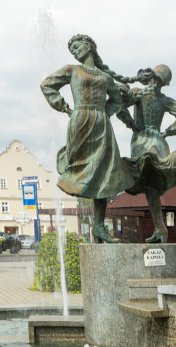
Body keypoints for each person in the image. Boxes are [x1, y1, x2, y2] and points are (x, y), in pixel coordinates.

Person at [40, 34, 135, 243]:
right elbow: (47, 85)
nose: (74, 51)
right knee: (83, 168)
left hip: (102, 124)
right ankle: (92, 218)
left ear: (89, 46)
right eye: (71, 49)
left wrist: (104, 113)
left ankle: (99, 226)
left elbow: (116, 100)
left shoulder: (105, 77)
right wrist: (65, 108)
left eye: (76, 46)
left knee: (104, 173)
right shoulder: (72, 70)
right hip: (81, 120)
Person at [117, 64, 176, 243]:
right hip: (159, 141)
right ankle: (161, 228)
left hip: (141, 140)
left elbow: (119, 107)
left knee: (141, 174)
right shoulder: (164, 99)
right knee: (153, 186)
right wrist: (168, 132)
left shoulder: (139, 93)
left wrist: (131, 124)